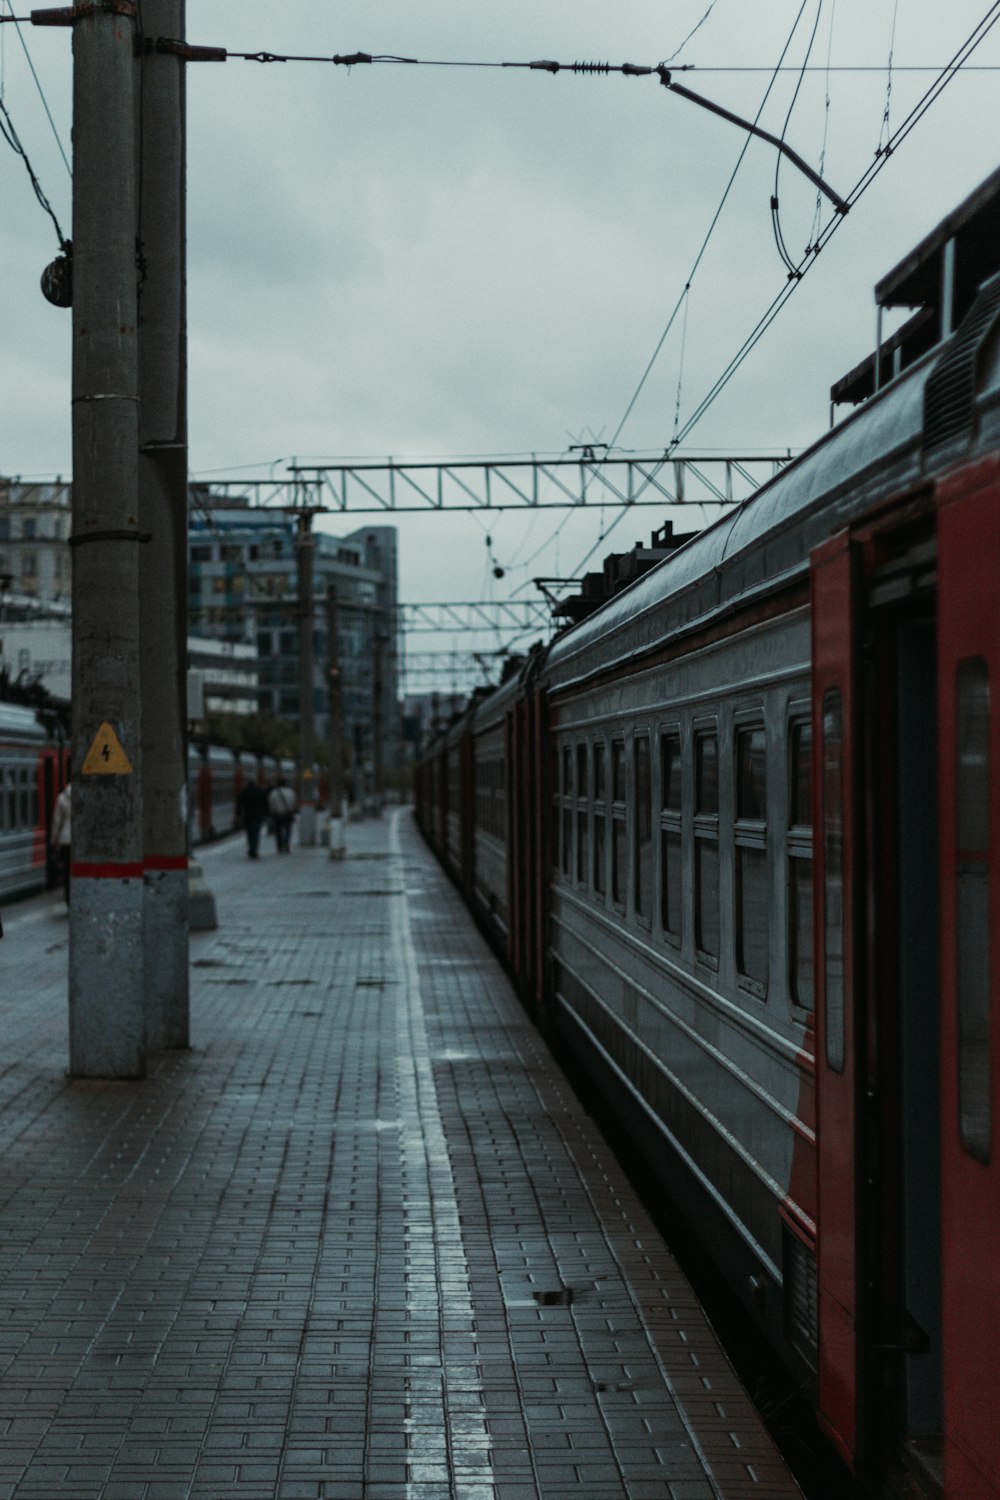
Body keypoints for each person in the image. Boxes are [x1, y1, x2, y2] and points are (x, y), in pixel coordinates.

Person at [237, 773, 269, 859]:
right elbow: (265, 803)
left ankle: (251, 848)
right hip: (257, 815)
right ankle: (254, 850)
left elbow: (239, 804)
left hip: (248, 815)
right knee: (256, 833)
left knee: (249, 833)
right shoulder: (260, 791)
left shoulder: (244, 791)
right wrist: (266, 814)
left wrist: (238, 815)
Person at [50, 781, 72, 902]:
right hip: (79, 842)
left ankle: (68, 899)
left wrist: (54, 840)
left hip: (65, 840)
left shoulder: (62, 798)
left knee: (67, 872)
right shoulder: (85, 797)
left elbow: (57, 821)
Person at [268, 776, 297, 853]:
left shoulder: (273, 792)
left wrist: (272, 812)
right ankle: (286, 844)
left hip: (277, 814)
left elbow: (271, 804)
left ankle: (280, 846)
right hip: (288, 814)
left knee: (278, 831)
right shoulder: (291, 792)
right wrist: (291, 810)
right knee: (288, 830)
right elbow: (293, 803)